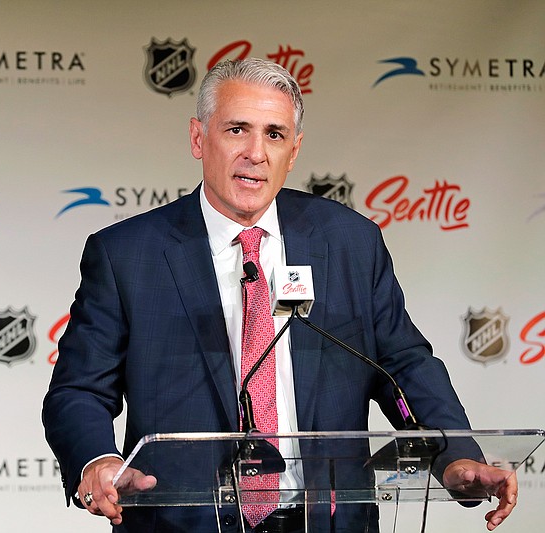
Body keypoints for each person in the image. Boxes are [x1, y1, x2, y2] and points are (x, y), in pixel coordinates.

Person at [42, 58, 517, 532]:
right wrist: (96, 461)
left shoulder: (350, 242)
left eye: (274, 134)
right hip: (182, 522)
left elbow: (405, 365)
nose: (256, 152)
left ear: (294, 151)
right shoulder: (127, 254)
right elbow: (79, 388)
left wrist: (456, 455)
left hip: (330, 521)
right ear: (197, 138)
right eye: (236, 130)